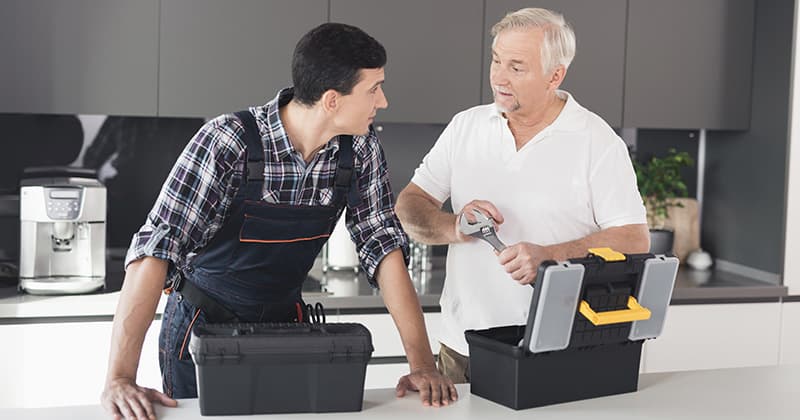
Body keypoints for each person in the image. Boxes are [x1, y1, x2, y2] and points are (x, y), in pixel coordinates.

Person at [101, 23, 456, 419]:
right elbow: (156, 250)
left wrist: (422, 364)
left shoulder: (360, 150)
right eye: (373, 89)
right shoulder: (226, 141)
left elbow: (383, 247)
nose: (384, 101)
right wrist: (120, 376)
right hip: (202, 332)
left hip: (287, 331)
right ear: (332, 100)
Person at [395, 8, 650, 384]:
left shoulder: (596, 141)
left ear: (555, 75)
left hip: (555, 349)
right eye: (496, 60)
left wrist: (551, 256)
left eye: (517, 67)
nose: (499, 77)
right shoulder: (466, 126)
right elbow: (410, 205)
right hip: (461, 350)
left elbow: (634, 238)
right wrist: (456, 226)